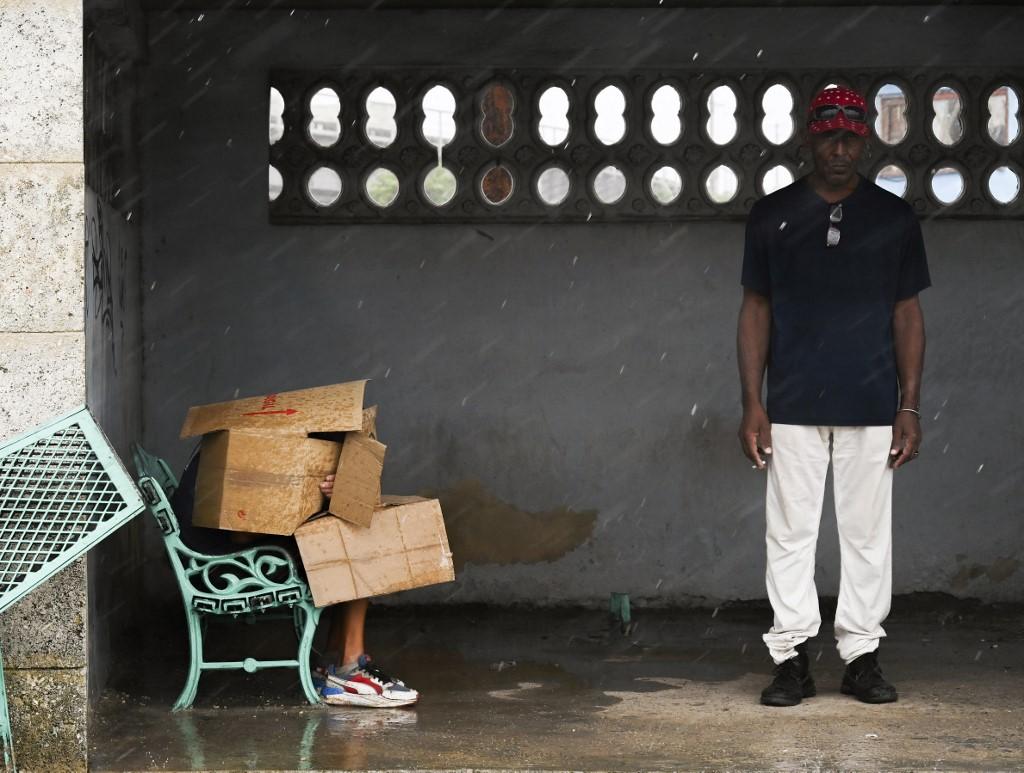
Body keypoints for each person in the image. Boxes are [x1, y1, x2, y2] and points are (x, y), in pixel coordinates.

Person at [736, 85, 930, 707]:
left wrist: (909, 404)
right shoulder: (773, 216)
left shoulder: (893, 218)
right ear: (809, 139)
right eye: (829, 138)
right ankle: (790, 658)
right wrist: (753, 402)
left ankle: (862, 656)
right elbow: (755, 310)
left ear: (865, 139)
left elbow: (907, 314)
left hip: (872, 403)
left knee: (867, 534)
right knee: (789, 533)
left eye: (850, 138)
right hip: (790, 404)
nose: (840, 150)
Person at [171, 450, 419, 708]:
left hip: (207, 559)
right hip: (221, 566)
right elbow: (243, 534)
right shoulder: (256, 442)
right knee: (353, 538)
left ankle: (333, 660)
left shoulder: (250, 428)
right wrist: (322, 496)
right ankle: (349, 666)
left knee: (347, 526)